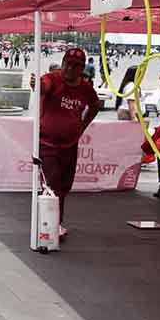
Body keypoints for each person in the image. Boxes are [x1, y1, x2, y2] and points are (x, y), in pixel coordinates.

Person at [30, 47, 101, 239]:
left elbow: (95, 105)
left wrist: (82, 126)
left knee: (64, 186)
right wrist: (37, 85)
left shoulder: (86, 88)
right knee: (52, 185)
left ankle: (54, 221)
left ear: (82, 68)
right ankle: (52, 225)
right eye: (67, 64)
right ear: (62, 64)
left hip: (70, 145)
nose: (70, 68)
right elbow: (43, 85)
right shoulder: (52, 79)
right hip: (47, 144)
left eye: (76, 66)